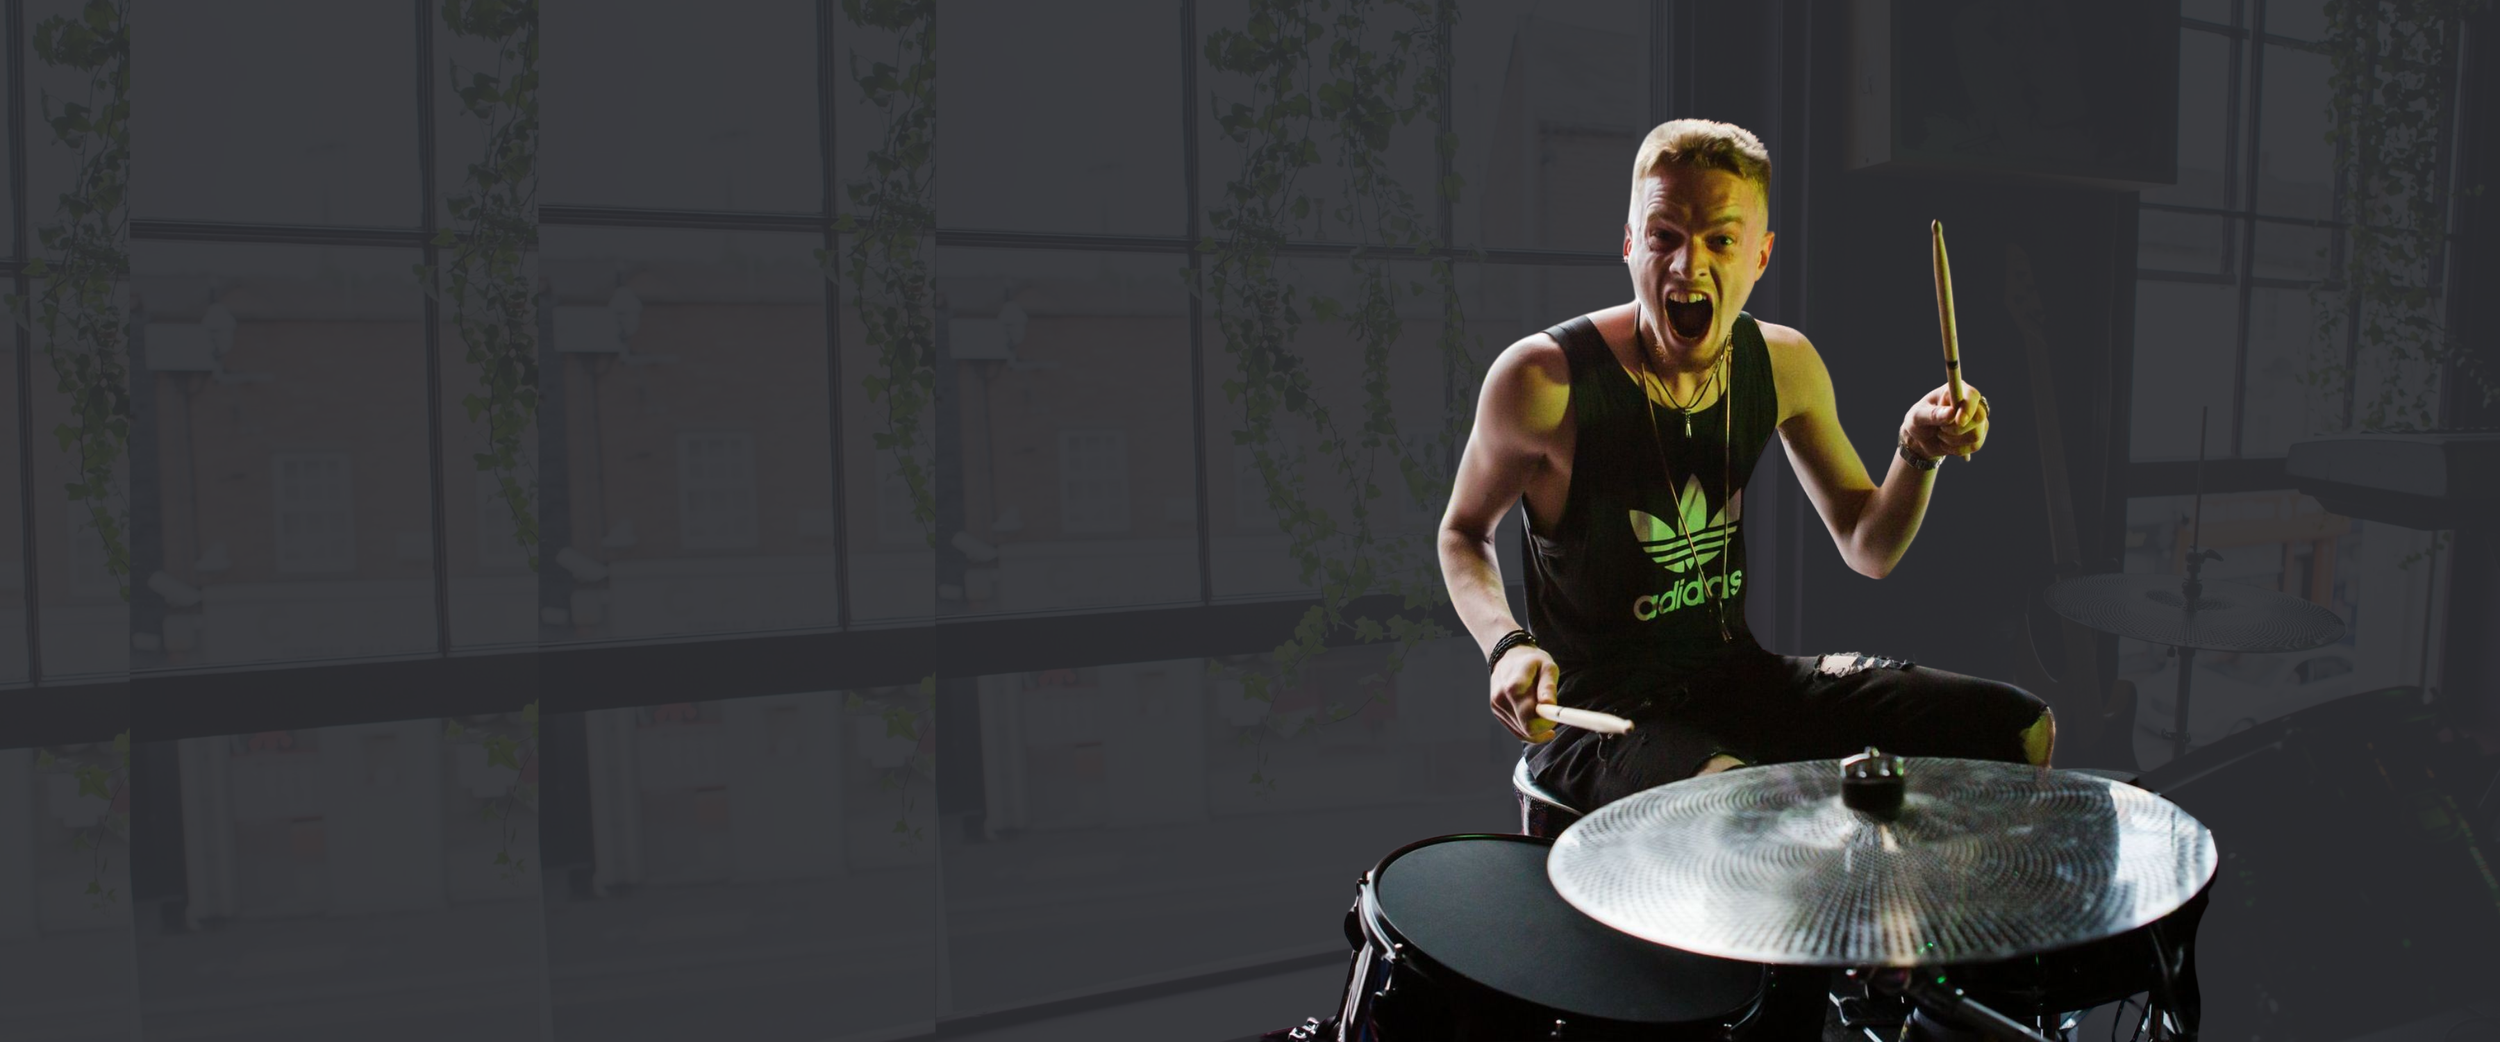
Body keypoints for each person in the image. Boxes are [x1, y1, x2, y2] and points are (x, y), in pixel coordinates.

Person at [1437, 119, 2054, 814]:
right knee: (1739, 809)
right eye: (1663, 235)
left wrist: (1915, 450)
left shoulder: (1784, 363)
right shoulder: (1542, 380)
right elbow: (1462, 532)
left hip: (1740, 676)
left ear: (1759, 258)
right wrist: (1507, 647)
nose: (1687, 265)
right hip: (1599, 714)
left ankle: (1939, 919)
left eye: (1720, 241)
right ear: (1629, 243)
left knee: (2019, 729)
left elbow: (1868, 546)